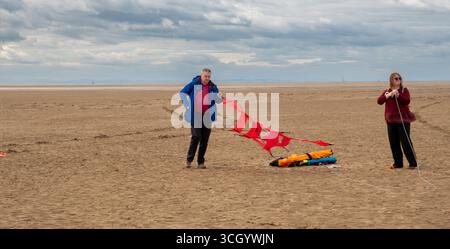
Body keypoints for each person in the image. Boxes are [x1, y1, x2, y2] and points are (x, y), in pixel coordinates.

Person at [180, 68, 223, 169]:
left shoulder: (213, 86)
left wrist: (220, 97)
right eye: (205, 76)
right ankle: (189, 160)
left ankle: (200, 162)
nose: (207, 78)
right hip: (196, 115)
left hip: (207, 116)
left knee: (205, 139)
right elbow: (182, 93)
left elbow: (218, 100)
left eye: (209, 77)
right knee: (196, 137)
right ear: (201, 75)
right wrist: (187, 105)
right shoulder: (194, 83)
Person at [377, 72, 417, 169]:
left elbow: (407, 101)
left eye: (399, 78)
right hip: (391, 121)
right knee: (394, 142)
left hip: (403, 120)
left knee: (405, 141)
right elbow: (379, 101)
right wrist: (389, 95)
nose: (398, 79)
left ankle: (413, 163)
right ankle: (398, 163)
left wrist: (398, 95)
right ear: (391, 80)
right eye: (396, 78)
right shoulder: (387, 91)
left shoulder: (404, 90)